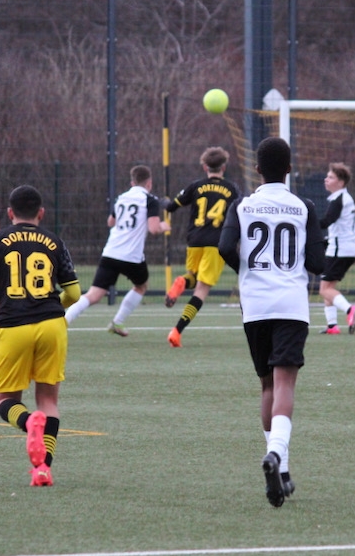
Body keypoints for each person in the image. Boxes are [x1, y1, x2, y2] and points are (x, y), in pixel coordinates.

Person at [219, 136, 326, 508]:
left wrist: (246, 272)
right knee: (285, 384)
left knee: (267, 385)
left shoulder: (242, 205)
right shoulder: (304, 206)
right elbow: (317, 264)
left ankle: (282, 469)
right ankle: (277, 454)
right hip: (290, 305)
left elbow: (224, 247)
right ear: (290, 169)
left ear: (257, 169)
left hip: (256, 305)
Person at [0, 185, 81, 487]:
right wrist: (53, 307)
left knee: (6, 401)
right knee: (48, 399)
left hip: (13, 325)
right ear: (41, 213)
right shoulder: (54, 241)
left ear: (10, 213)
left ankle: (28, 421)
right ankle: (43, 469)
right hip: (52, 325)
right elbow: (74, 293)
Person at [64, 165, 169, 334]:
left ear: (132, 182)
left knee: (93, 295)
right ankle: (117, 322)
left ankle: (63, 321)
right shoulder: (150, 200)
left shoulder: (122, 198)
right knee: (141, 286)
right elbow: (154, 229)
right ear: (149, 183)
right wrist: (164, 226)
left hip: (111, 252)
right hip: (131, 256)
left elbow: (110, 222)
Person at [162, 146, 241, 348]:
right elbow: (240, 214)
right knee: (201, 290)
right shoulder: (232, 189)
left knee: (193, 278)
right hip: (216, 243)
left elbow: (172, 206)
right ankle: (177, 331)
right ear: (224, 167)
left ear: (205, 167)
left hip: (194, 241)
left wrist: (165, 203)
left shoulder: (196, 186)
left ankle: (181, 281)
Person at [317, 162, 355, 334]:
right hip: (344, 249)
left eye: (331, 177)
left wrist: (306, 224)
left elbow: (327, 221)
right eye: (327, 176)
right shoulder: (342, 198)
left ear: (341, 182)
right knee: (329, 286)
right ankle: (332, 326)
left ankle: (350, 310)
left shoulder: (339, 199)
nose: (326, 179)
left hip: (340, 250)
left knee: (324, 289)